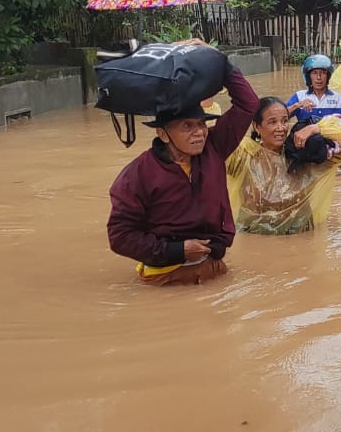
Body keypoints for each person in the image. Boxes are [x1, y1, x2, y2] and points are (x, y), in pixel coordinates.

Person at [106, 55, 260, 285]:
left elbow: (249, 103)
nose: (199, 132)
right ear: (163, 134)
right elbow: (120, 237)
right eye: (187, 126)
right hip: (165, 276)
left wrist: (221, 63)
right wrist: (177, 250)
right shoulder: (137, 174)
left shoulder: (214, 148)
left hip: (213, 266)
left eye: (201, 124)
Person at [226, 96, 341, 235]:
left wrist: (315, 128)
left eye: (285, 121)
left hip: (300, 235)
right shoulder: (243, 154)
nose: (281, 128)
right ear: (256, 126)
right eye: (272, 122)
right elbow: (215, 149)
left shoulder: (303, 154)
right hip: (253, 235)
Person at [285, 54, 341, 122]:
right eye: (314, 73)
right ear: (308, 77)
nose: (318, 77)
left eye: (323, 73)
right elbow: (281, 117)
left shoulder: (339, 96)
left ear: (328, 76)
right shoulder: (299, 96)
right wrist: (297, 105)